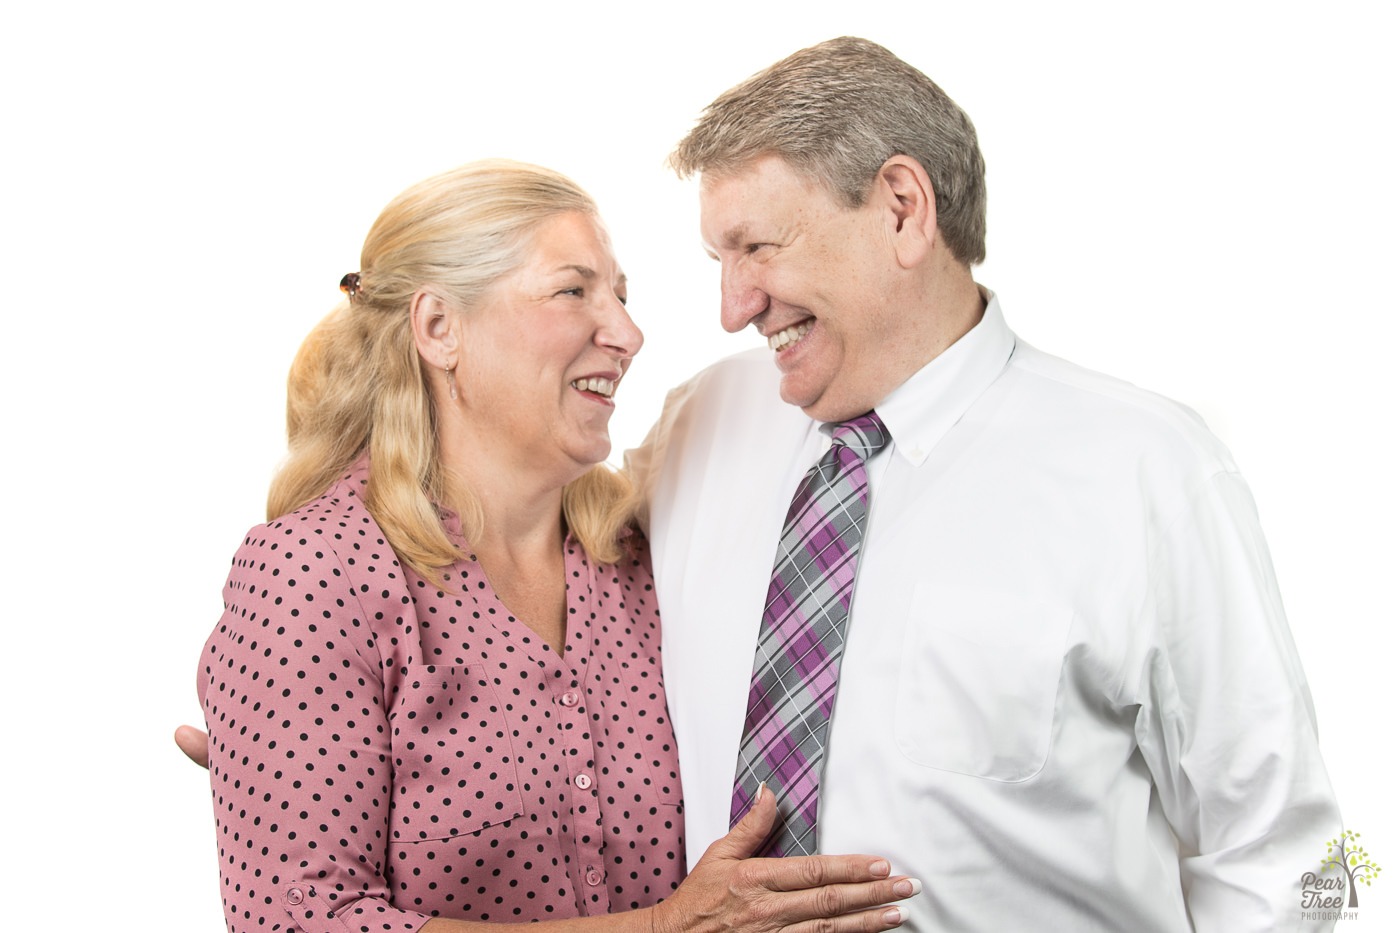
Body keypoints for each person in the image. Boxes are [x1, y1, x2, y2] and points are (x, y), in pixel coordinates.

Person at [625, 37, 1342, 931]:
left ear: (900, 209)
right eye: (715, 261)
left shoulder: (1148, 469)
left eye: (756, 247)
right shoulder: (698, 423)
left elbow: (1298, 854)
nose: (732, 307)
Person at [192, 159, 918, 933]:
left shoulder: (632, 556)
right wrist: (661, 928)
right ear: (439, 328)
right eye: (573, 291)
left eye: (623, 296)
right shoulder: (315, 572)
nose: (629, 334)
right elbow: (300, 921)